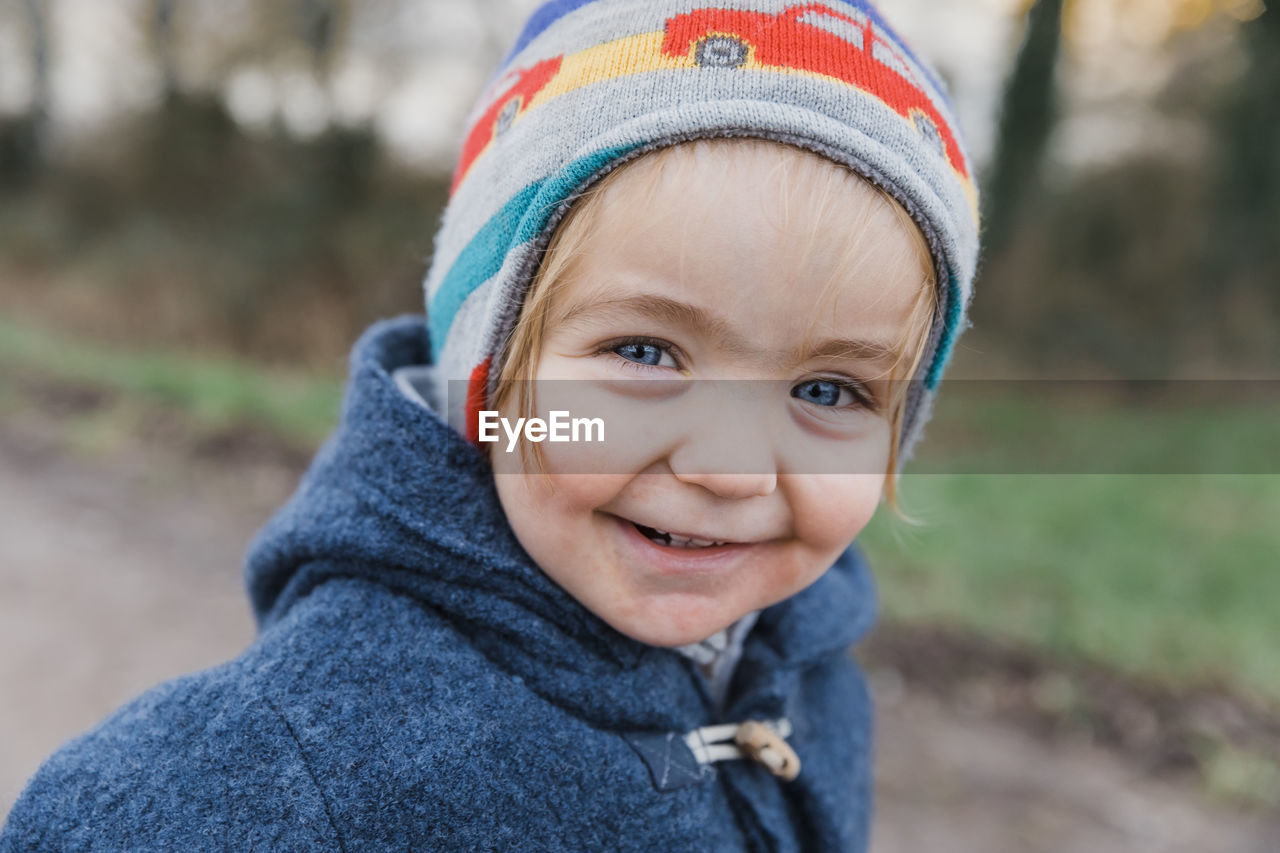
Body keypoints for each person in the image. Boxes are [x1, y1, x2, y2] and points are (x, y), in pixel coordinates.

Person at [0, 1, 979, 850]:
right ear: (485, 371)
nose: (729, 468)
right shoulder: (306, 760)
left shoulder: (806, 667)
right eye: (645, 355)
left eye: (826, 392)